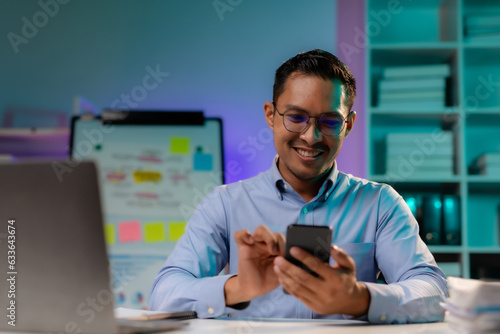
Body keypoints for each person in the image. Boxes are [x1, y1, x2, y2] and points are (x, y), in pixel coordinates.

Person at [149, 49, 448, 323]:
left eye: (330, 121)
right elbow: (163, 295)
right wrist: (238, 287)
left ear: (349, 125)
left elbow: (435, 294)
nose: (311, 136)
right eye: (296, 117)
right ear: (271, 115)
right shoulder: (224, 204)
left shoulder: (381, 204)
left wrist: (359, 298)